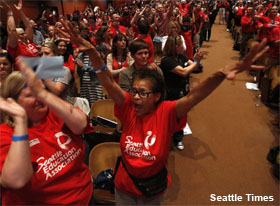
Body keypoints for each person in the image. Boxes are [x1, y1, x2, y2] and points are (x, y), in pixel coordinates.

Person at [60, 17, 268, 206]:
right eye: (134, 91)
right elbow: (106, 80)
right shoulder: (128, 106)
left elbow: (194, 96)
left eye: (143, 93)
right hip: (124, 186)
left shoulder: (167, 112)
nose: (136, 97)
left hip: (153, 189)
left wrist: (220, 74)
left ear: (157, 96)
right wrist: (92, 52)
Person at [0, 58, 94, 204]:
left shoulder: (54, 111)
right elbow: (16, 180)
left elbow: (81, 124)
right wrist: (20, 120)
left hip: (84, 196)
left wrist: (43, 94)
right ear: (13, 102)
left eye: (40, 91)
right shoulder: (5, 134)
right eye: (31, 95)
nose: (39, 98)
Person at [160, 34, 204, 150]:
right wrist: (195, 62)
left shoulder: (181, 56)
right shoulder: (166, 61)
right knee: (168, 116)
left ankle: (178, 138)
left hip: (182, 90)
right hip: (170, 92)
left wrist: (196, 60)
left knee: (181, 115)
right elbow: (184, 72)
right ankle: (165, 138)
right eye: (180, 45)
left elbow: (193, 66)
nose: (182, 47)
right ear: (174, 46)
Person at [3, 0, 39, 71]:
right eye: (22, 34)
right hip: (24, 77)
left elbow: (28, 26)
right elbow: (12, 31)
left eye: (24, 33)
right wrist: (10, 13)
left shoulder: (29, 42)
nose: (25, 35)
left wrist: (20, 11)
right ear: (16, 37)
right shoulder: (15, 47)